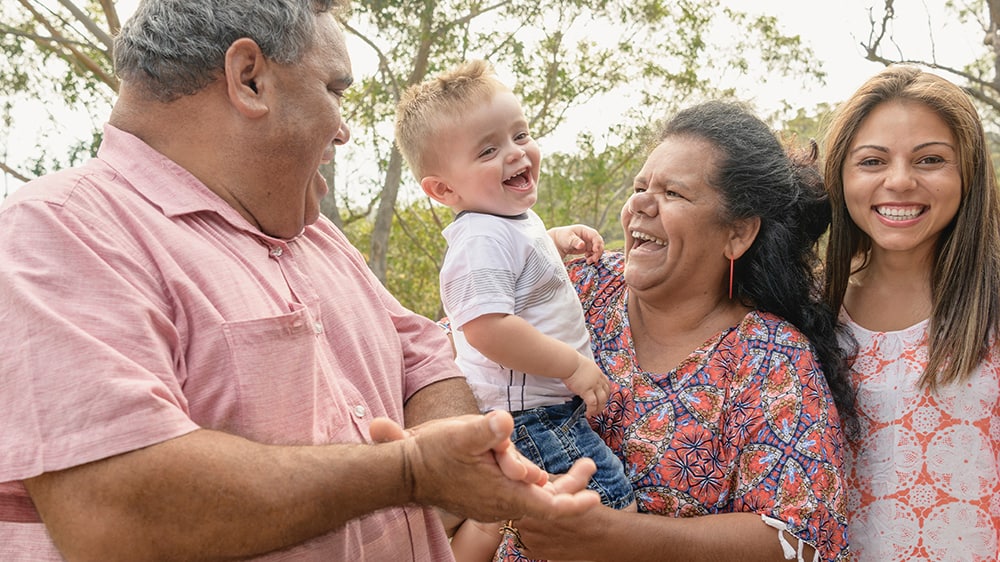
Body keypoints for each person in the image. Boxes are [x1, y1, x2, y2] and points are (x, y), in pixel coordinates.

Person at [0, 1, 602, 560]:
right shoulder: (60, 229)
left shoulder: (312, 232)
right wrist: (411, 473)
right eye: (334, 89)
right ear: (249, 79)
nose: (342, 129)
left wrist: (456, 463)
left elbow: (421, 357)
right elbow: (112, 507)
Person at [495, 100, 856, 562]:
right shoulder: (576, 286)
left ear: (738, 233)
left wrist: (617, 537)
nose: (639, 204)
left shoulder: (769, 357)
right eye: (640, 186)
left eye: (673, 194)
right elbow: (446, 350)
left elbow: (801, 543)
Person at [394, 59, 634, 561]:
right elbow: (485, 326)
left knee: (496, 512)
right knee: (610, 504)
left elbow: (517, 269)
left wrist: (555, 241)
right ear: (443, 190)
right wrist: (570, 365)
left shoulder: (505, 221)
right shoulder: (478, 236)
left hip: (529, 412)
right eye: (488, 149)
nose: (515, 153)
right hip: (532, 414)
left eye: (519, 134)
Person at [821, 65, 1000, 561]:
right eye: (873, 161)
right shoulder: (807, 313)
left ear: (969, 172)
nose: (900, 181)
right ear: (841, 174)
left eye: (930, 159)